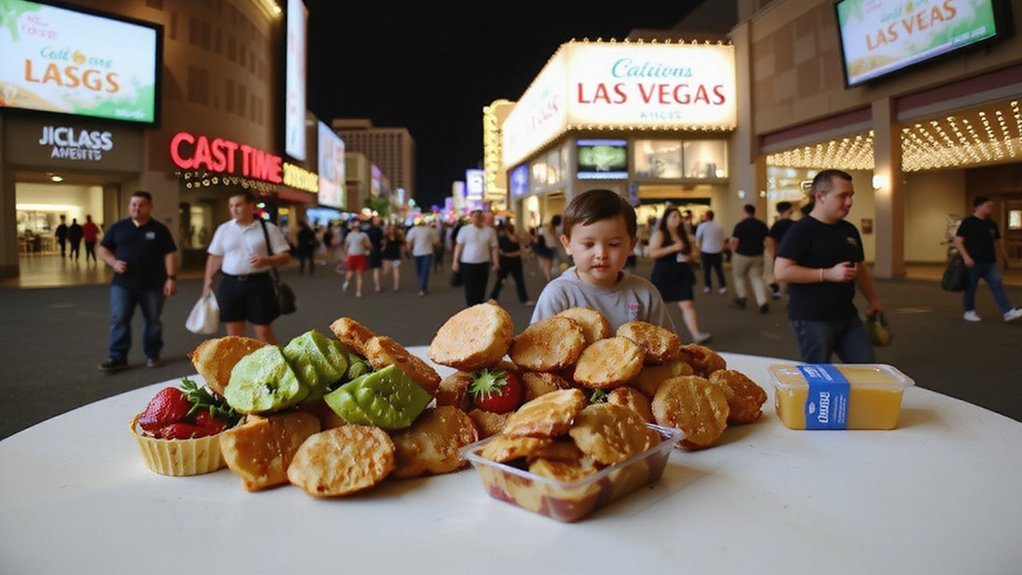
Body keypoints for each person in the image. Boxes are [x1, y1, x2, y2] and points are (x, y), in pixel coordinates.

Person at [774, 169, 882, 363]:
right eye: (842, 196)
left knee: (866, 368)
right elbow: (781, 271)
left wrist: (873, 299)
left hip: (847, 316)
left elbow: (859, 268)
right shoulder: (801, 230)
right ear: (820, 197)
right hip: (812, 318)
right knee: (819, 373)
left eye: (851, 196)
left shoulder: (849, 230)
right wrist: (827, 274)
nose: (849, 202)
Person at [531, 189, 674, 331]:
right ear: (567, 244)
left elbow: (667, 341)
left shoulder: (645, 294)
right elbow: (538, 342)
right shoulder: (559, 295)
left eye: (613, 244)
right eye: (588, 245)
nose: (601, 254)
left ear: (631, 245)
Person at [96, 191, 178, 371]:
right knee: (119, 320)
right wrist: (113, 262)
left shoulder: (159, 229)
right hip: (123, 285)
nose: (136, 208)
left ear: (150, 207)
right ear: (129, 206)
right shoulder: (119, 228)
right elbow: (103, 249)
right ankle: (117, 357)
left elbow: (170, 254)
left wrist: (171, 278)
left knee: (153, 321)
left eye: (141, 205)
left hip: (153, 285)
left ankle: (153, 354)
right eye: (133, 204)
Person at [203, 190, 292, 344]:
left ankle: (274, 358)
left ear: (251, 206)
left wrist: (266, 261)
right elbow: (215, 256)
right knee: (234, 337)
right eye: (231, 206)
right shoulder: (224, 229)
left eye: (238, 205)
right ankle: (241, 360)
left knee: (264, 333)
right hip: (230, 284)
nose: (234, 209)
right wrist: (207, 280)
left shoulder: (268, 228)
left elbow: (285, 256)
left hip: (258, 284)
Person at [648, 206, 711, 343]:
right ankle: (655, 338)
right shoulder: (660, 234)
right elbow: (652, 253)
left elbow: (695, 254)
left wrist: (691, 256)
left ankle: (696, 334)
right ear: (666, 219)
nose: (678, 219)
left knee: (687, 304)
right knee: (658, 307)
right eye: (674, 216)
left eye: (679, 216)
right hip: (664, 273)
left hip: (682, 273)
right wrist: (673, 248)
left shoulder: (685, 235)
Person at [954, 195, 1022, 322]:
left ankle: (1007, 311)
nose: (990, 208)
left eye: (991, 206)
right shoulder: (968, 222)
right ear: (978, 207)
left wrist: (1002, 255)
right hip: (973, 262)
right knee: (971, 287)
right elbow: (958, 241)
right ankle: (969, 311)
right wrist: (966, 257)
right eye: (988, 206)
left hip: (989, 262)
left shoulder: (991, 223)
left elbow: (998, 240)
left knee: (997, 285)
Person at [452, 209, 499, 307]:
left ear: (483, 218)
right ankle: (471, 307)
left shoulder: (490, 231)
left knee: (481, 287)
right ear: (471, 218)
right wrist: (455, 261)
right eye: (475, 216)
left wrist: (496, 262)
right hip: (468, 263)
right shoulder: (465, 230)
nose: (477, 219)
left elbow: (494, 248)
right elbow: (459, 246)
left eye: (480, 216)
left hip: (483, 263)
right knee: (470, 287)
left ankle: (479, 306)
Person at [729, 203, 771, 313]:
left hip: (742, 255)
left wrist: (733, 251)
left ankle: (742, 298)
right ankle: (762, 302)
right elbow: (767, 240)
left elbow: (734, 241)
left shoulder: (740, 225)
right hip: (758, 255)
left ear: (745, 212)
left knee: (739, 276)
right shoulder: (761, 224)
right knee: (757, 278)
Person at [488, 221, 533, 306]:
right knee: (519, 280)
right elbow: (521, 250)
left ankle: (493, 298)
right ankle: (524, 299)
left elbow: (498, 250)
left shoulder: (502, 238)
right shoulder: (515, 239)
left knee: (501, 280)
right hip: (515, 262)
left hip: (504, 261)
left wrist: (504, 256)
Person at [766, 201, 796, 299]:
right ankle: (789, 290)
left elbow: (770, 240)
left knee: (777, 271)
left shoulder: (776, 225)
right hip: (794, 251)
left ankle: (776, 290)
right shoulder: (795, 224)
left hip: (780, 251)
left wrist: (773, 252)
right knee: (792, 271)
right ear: (788, 210)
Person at [695, 210, 727, 294]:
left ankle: (708, 286)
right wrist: (722, 247)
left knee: (707, 270)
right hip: (717, 250)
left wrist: (699, 248)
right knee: (719, 270)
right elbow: (723, 238)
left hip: (706, 251)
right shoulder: (719, 226)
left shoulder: (702, 226)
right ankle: (722, 287)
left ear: (706, 216)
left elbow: (698, 238)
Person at [405, 219, 439, 296]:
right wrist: (439, 247)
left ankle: (422, 287)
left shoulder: (413, 230)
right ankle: (423, 286)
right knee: (424, 271)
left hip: (417, 253)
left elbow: (409, 242)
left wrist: (408, 251)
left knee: (420, 271)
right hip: (427, 253)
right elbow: (436, 242)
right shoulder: (429, 230)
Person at [341, 220, 373, 297]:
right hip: (356, 255)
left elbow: (345, 246)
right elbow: (370, 246)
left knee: (356, 273)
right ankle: (350, 285)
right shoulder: (359, 235)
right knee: (354, 273)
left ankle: (356, 290)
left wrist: (345, 255)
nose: (356, 228)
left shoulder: (355, 235)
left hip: (356, 255)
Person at [380, 222, 405, 291]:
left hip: (387, 255)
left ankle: (381, 284)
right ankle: (396, 286)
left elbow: (382, 244)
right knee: (396, 270)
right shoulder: (398, 236)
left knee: (385, 271)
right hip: (396, 255)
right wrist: (402, 254)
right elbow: (402, 245)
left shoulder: (386, 236)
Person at [365, 216, 385, 293]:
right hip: (378, 251)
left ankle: (377, 285)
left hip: (372, 251)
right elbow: (382, 242)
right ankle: (377, 286)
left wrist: (370, 248)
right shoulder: (380, 230)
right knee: (377, 269)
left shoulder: (368, 231)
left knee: (375, 269)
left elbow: (366, 242)